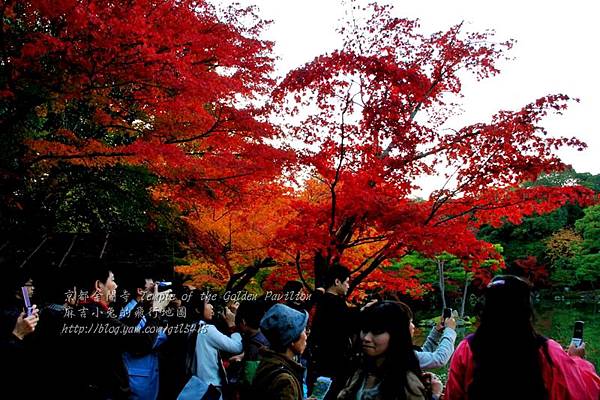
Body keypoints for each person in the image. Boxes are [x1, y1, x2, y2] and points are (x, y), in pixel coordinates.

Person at [445, 275, 600, 400]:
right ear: (525, 309)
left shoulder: (467, 348)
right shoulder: (546, 350)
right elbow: (583, 392)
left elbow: (453, 395)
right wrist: (577, 361)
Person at [338, 301, 443, 400]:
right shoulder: (361, 371)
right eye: (365, 330)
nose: (366, 338)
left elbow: (438, 358)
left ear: (396, 335)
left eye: (377, 331)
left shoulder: (406, 382)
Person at [308, 264, 358, 398]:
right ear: (337, 281)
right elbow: (348, 325)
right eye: (346, 282)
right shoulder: (334, 304)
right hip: (332, 362)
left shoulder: (324, 302)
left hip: (322, 360)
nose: (348, 285)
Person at [191, 291, 243, 397]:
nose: (211, 307)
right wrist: (232, 324)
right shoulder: (207, 330)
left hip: (193, 386)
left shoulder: (189, 328)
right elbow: (237, 347)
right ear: (197, 309)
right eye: (207, 303)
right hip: (210, 387)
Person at [251, 303, 309, 400]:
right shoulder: (285, 381)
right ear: (292, 340)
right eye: (303, 330)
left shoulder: (268, 362)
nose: (306, 335)